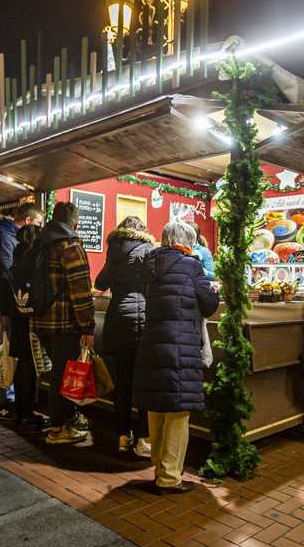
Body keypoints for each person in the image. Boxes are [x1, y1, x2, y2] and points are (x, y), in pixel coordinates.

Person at [134, 221, 219, 494]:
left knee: (157, 408)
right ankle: (170, 477)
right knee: (178, 412)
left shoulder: (150, 263)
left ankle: (160, 468)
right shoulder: (191, 265)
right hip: (180, 345)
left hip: (152, 344)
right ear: (186, 241)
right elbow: (209, 303)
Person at [32, 202, 96, 445]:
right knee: (64, 375)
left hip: (39, 321)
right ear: (75, 223)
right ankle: (57, 430)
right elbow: (81, 292)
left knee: (59, 373)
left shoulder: (38, 244)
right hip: (63, 324)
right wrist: (87, 327)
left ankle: (68, 418)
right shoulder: (70, 247)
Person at [94, 217, 155, 456]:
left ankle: (122, 436)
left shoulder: (113, 251)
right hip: (141, 322)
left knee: (123, 382)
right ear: (144, 231)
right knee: (142, 382)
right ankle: (144, 439)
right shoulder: (148, 250)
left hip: (117, 320)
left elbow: (100, 283)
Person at [0, 203, 45, 421]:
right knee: (6, 353)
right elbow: (1, 277)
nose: (39, 228)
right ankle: (1, 403)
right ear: (28, 221)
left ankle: (10, 401)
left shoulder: (6, 237)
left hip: (12, 305)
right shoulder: (5, 238)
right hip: (11, 306)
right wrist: (6, 311)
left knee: (12, 353)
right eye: (38, 223)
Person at [7, 223, 50, 430]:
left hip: (17, 315)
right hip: (30, 317)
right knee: (29, 366)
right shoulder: (34, 257)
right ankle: (26, 413)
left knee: (22, 364)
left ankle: (19, 410)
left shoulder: (17, 257)